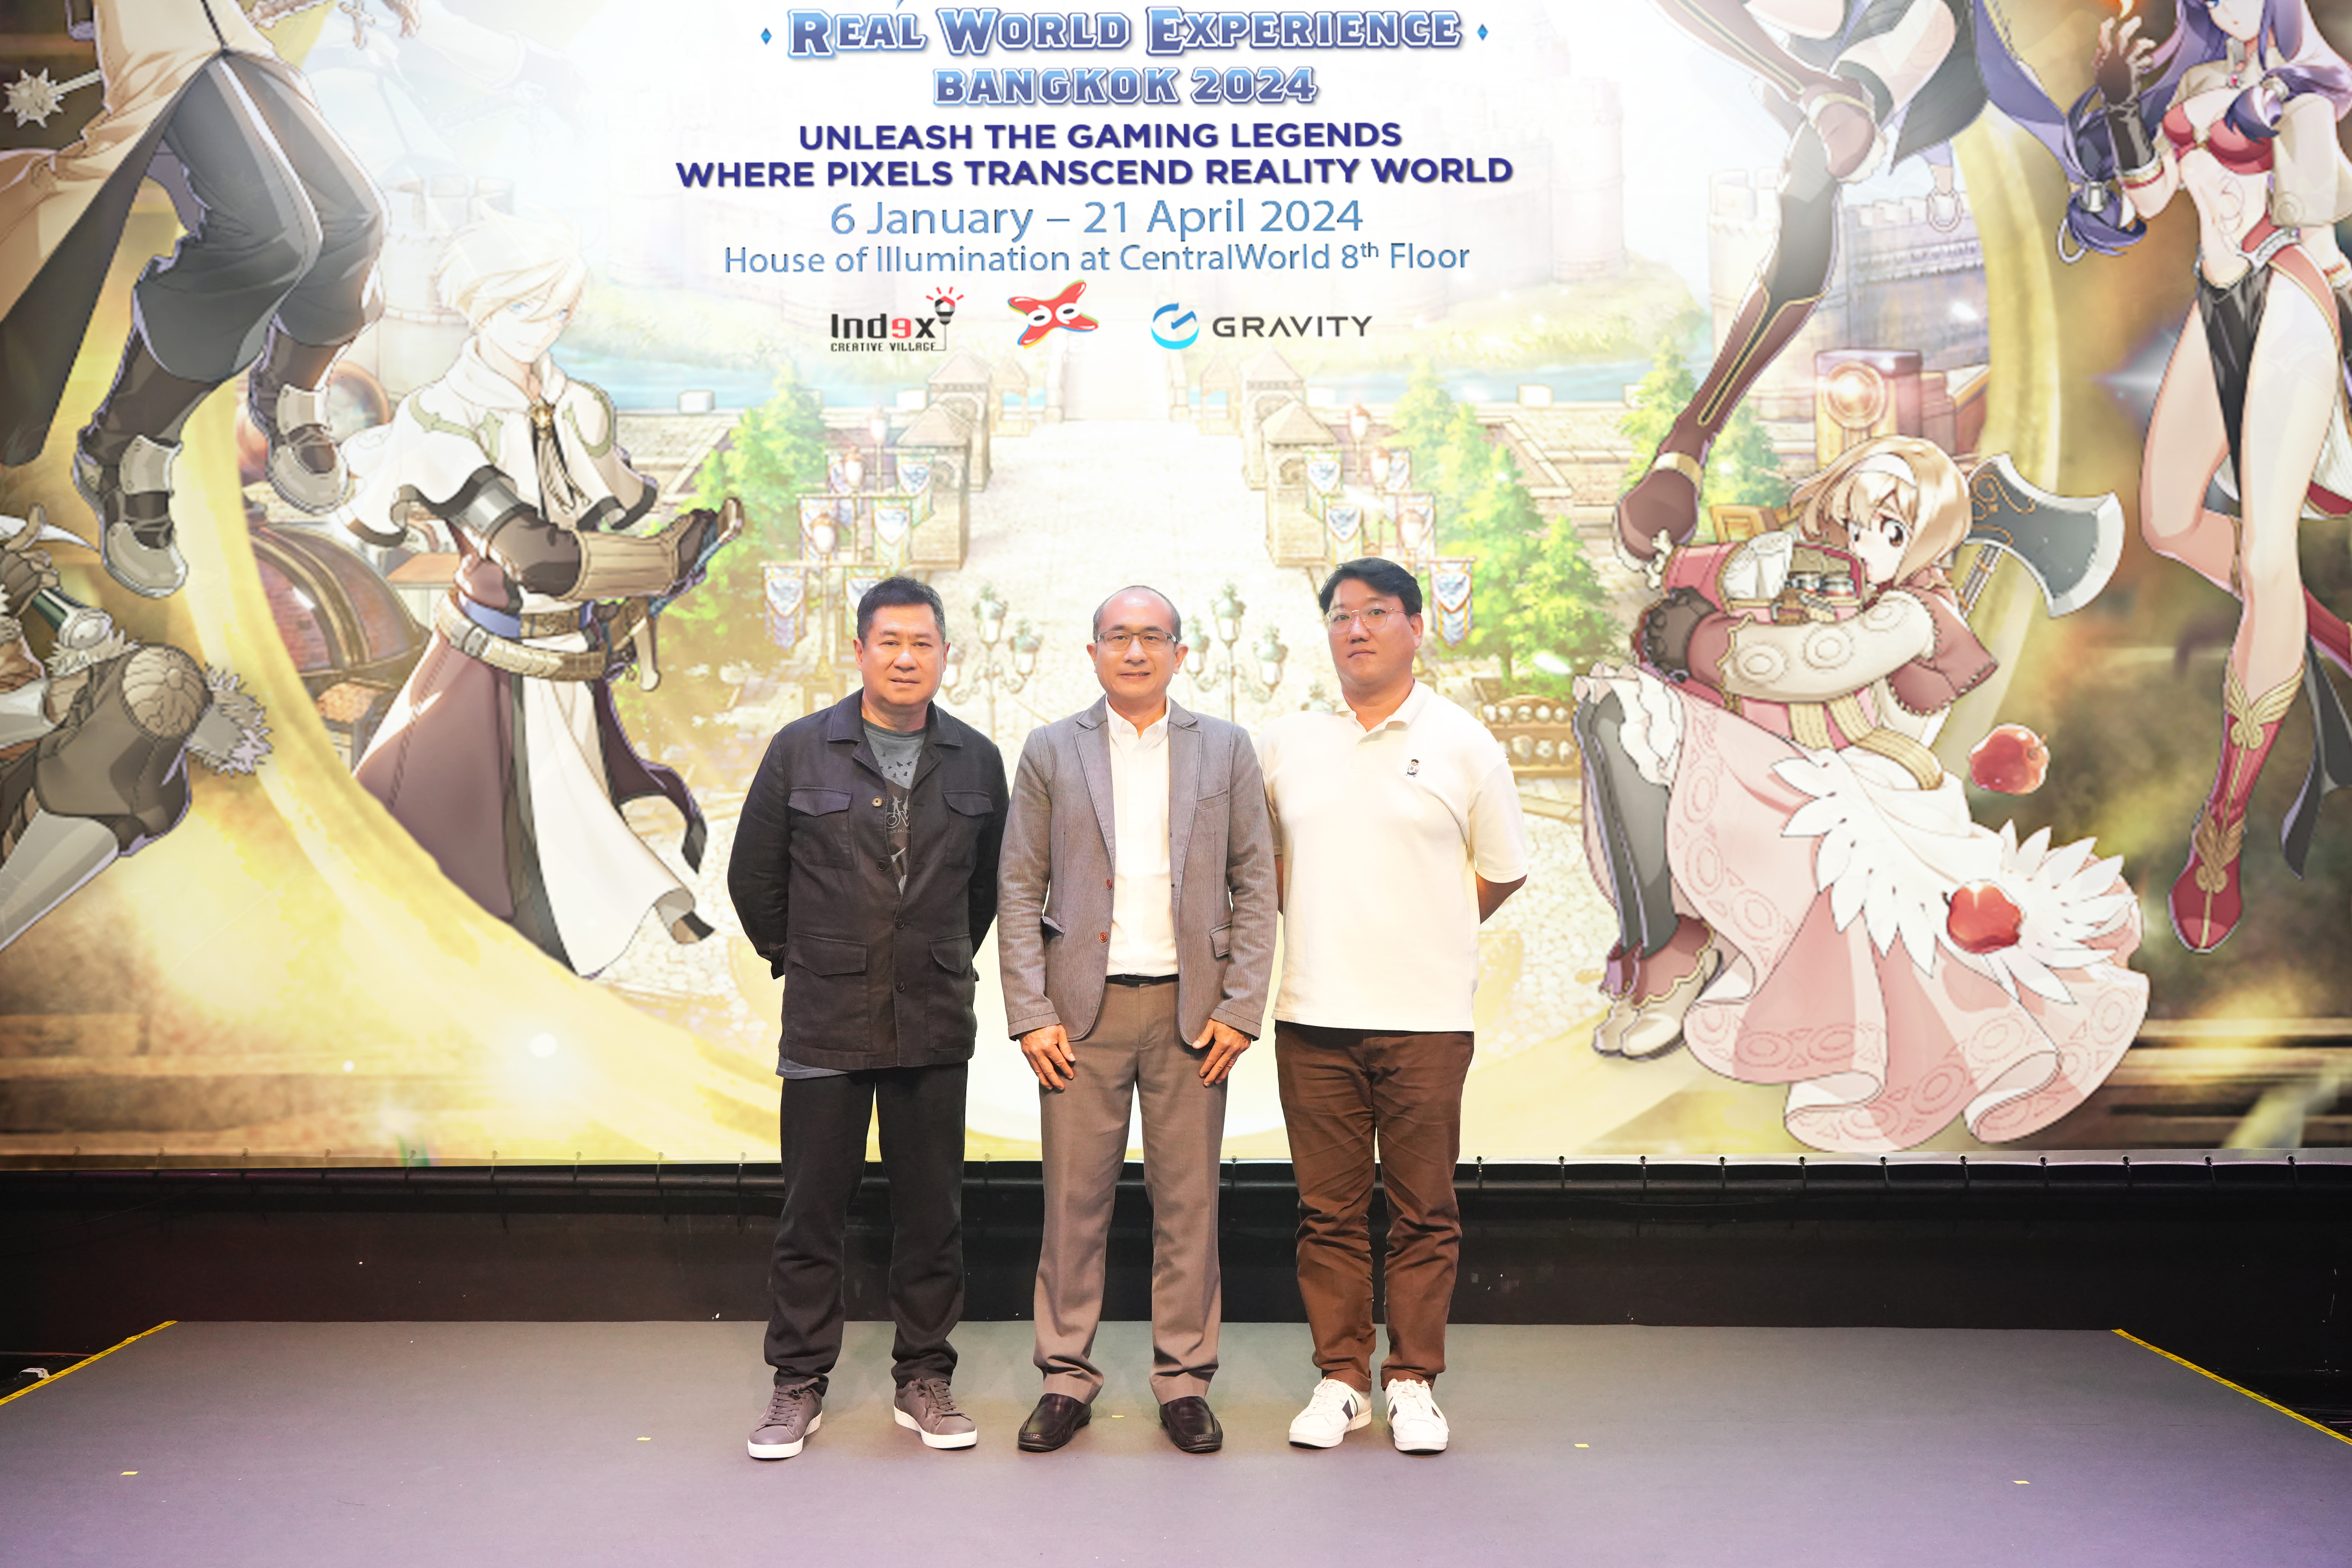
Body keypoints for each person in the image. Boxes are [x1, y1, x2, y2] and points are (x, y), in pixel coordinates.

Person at [1576, 436, 2148, 1149]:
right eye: (1852, 522)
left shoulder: (1913, 613)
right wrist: (1680, 566)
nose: (1862, 543)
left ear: (1928, 540)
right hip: (1785, 762)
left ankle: (1673, 957)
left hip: (1855, 787)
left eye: (1890, 531)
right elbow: (1735, 585)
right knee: (1612, 716)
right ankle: (1660, 949)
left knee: (1630, 716)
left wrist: (1699, 639)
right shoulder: (1826, 576)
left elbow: (1807, 666)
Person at [1975, 0, 2352, 951]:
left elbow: (2319, 202)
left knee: (2265, 558)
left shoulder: (2310, 73)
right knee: (2171, 520)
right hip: (2218, 297)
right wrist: (2119, 106)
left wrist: (2265, 109)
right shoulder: (2192, 77)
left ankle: (2220, 827)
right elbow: (2146, 206)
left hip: (2292, 293)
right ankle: (2328, 634)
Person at [343, 212, 730, 977]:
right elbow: (536, 557)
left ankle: (641, 900)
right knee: (486, 820)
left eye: (559, 309)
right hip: (489, 656)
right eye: (525, 306)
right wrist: (666, 559)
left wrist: (672, 555)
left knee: (573, 793)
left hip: (574, 651)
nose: (544, 325)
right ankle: (622, 912)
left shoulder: (580, 406)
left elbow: (615, 507)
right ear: (478, 305)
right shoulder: (440, 416)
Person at [728, 575, 1008, 1461]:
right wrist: (810, 955)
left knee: (932, 1213)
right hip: (826, 1016)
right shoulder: (800, 749)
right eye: (890, 641)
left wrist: (932, 953)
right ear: (858, 651)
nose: (906, 658)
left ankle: (923, 1377)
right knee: (812, 1211)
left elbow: (985, 890)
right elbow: (754, 879)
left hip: (932, 1015)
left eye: (923, 643)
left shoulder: (976, 759)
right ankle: (797, 1382)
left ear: (945, 655)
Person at [1256, 556, 1528, 1456]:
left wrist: (1429, 924)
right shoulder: (1288, 743)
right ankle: (1341, 1380)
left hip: (1427, 1020)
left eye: (1377, 613)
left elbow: (1503, 869)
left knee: (1424, 1212)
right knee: (1326, 1214)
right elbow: (1266, 866)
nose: (1357, 630)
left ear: (1417, 626)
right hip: (1314, 1016)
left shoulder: (1464, 742)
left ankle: (1413, 1381)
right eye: (1341, 615)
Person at [996, 586, 1277, 1456]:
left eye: (1153, 636)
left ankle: (1184, 1382)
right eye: (1117, 636)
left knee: (1188, 1207)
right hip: (1081, 1016)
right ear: (1092, 653)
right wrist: (1030, 1011)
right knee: (1072, 1206)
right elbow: (1018, 884)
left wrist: (1242, 1006)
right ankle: (1065, 1378)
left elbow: (1255, 881)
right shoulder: (1051, 749)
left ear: (1181, 654)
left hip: (1194, 1013)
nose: (1134, 650)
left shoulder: (1225, 748)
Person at [0, 0, 390, 598]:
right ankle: (123, 445)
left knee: (355, 219)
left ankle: (288, 393)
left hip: (224, 31)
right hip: (147, 36)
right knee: (269, 236)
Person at [1616, 0, 1988, 563]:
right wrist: (1807, 85)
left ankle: (1692, 438)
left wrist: (1691, 437)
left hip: (1907, 29)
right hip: (1826, 49)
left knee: (1811, 177)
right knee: (1823, 146)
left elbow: (1816, 180)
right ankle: (1820, 94)